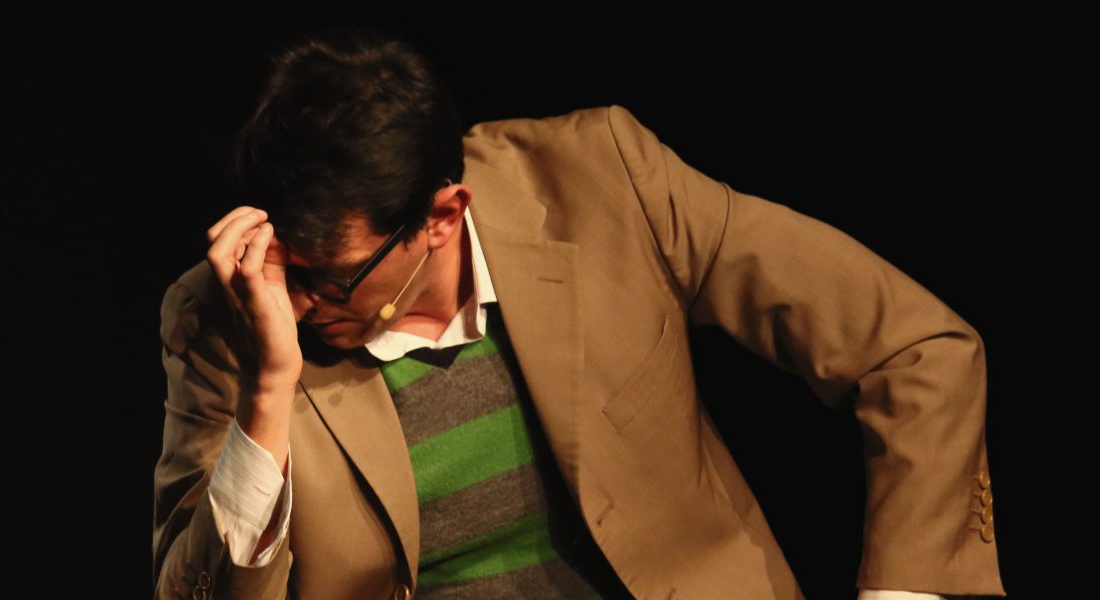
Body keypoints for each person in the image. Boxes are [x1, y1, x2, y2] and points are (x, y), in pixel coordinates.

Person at [152, 26, 1005, 600]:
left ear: (442, 216)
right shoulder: (226, 313)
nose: (296, 301)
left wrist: (906, 590)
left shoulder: (603, 183)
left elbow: (914, 348)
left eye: (332, 278)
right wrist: (268, 389)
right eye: (284, 263)